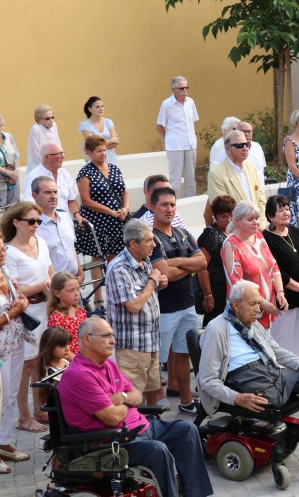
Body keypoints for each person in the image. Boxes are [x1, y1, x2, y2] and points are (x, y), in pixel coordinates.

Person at [197, 280, 299, 467]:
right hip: (244, 376)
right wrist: (236, 398)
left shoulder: (252, 323)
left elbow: (275, 350)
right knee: (272, 399)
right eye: (252, 304)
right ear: (236, 305)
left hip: (270, 369)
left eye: (259, 304)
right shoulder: (216, 329)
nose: (257, 310)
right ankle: (288, 435)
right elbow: (207, 379)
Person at [59, 317, 213, 497]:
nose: (113, 341)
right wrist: (127, 401)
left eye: (113, 335)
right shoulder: (80, 375)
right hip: (112, 442)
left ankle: (196, 494)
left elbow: (137, 396)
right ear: (86, 339)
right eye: (106, 335)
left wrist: (122, 397)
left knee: (187, 429)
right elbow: (113, 418)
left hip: (140, 428)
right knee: (157, 450)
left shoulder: (107, 363)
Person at [148, 187, 207, 414]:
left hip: (187, 306)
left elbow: (202, 263)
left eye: (172, 204)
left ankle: (185, 401)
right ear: (153, 207)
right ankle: (152, 407)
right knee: (156, 360)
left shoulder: (183, 233)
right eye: (163, 204)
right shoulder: (150, 238)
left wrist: (175, 263)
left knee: (184, 354)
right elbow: (163, 274)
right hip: (163, 309)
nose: (169, 209)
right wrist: (186, 265)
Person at [3, 202, 54, 431]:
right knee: (26, 364)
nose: (36, 225)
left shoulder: (41, 242)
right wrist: (42, 285)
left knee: (42, 361)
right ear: (16, 222)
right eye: (31, 221)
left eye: (38, 221)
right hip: (26, 313)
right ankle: (24, 415)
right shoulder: (10, 252)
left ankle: (39, 408)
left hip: (46, 307)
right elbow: (14, 292)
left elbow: (50, 271)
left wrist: (52, 283)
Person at [105, 219, 166, 404]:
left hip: (151, 341)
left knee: (152, 390)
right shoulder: (118, 268)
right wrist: (152, 282)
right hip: (133, 346)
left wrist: (158, 285)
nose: (154, 244)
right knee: (132, 397)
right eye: (148, 240)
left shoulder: (144, 260)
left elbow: (145, 294)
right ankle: (135, 431)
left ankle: (152, 427)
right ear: (133, 243)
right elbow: (133, 306)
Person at [76, 135, 129, 312]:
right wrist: (111, 211)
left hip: (116, 220)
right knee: (98, 258)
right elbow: (86, 200)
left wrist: (125, 208)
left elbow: (124, 191)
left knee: (114, 257)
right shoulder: (85, 173)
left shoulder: (114, 168)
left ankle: (113, 294)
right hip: (97, 220)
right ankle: (99, 300)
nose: (103, 153)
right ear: (89, 152)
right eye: (99, 151)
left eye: (104, 149)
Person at [262, 195, 299, 358]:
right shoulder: (266, 238)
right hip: (285, 299)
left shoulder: (293, 230)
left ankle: (296, 375)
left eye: (287, 209)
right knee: (282, 343)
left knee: (298, 341)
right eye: (280, 210)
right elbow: (275, 270)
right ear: (271, 216)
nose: (286, 213)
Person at [222, 201, 287, 328]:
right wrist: (262, 303)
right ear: (236, 221)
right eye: (250, 219)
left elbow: (274, 266)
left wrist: (280, 292)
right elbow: (237, 283)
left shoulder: (258, 236)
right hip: (247, 312)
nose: (256, 222)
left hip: (268, 308)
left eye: (257, 218)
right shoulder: (230, 244)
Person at [0, 236, 33, 472]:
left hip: (14, 342)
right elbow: (10, 311)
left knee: (9, 396)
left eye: (3, 248)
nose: (2, 252)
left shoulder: (6, 271)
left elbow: (17, 301)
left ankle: (3, 442)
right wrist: (13, 312)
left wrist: (22, 302)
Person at [206, 129, 267, 228]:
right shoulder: (216, 173)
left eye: (246, 144)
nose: (245, 148)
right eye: (239, 145)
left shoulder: (251, 167)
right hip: (234, 232)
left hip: (257, 229)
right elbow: (223, 211)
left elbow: (261, 199)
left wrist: (260, 226)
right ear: (228, 149)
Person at [31, 176, 84, 282]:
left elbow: (70, 247)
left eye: (55, 192)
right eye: (47, 192)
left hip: (73, 283)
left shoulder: (65, 217)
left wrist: (80, 274)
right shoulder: (33, 225)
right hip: (52, 286)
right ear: (35, 196)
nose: (53, 196)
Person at [156, 76, 199, 198]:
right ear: (173, 89)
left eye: (186, 87)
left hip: (190, 145)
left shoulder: (190, 102)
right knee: (175, 179)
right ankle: (173, 204)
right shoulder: (167, 104)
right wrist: (169, 138)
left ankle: (191, 203)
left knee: (191, 178)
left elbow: (192, 123)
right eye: (181, 88)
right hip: (175, 147)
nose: (185, 90)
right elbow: (159, 126)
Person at [197, 195, 236, 326]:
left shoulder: (236, 233)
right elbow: (201, 268)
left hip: (232, 292)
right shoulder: (210, 235)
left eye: (231, 216)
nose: (229, 220)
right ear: (215, 216)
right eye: (224, 217)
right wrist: (208, 296)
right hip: (216, 293)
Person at [23, 143, 82, 221]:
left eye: (63, 153)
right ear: (47, 157)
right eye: (59, 154)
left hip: (65, 221)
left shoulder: (65, 173)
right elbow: (30, 204)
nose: (63, 156)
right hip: (44, 223)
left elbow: (71, 200)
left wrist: (77, 215)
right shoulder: (33, 176)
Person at [46, 271, 86, 356]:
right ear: (57, 293)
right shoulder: (57, 318)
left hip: (85, 356)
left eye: (78, 289)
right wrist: (78, 362)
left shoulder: (80, 311)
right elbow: (58, 347)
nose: (76, 294)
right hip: (72, 362)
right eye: (71, 290)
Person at [79, 96, 120, 165]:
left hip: (112, 161)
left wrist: (99, 146)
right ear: (90, 109)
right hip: (95, 163)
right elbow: (92, 145)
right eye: (97, 107)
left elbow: (115, 143)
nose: (101, 109)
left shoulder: (108, 122)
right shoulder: (85, 125)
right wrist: (111, 141)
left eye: (102, 106)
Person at [26, 105, 61, 169]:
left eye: (52, 117)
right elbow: (35, 154)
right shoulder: (36, 129)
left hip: (54, 164)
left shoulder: (54, 125)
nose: (51, 120)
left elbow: (58, 144)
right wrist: (46, 167)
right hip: (39, 167)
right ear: (39, 120)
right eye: (47, 118)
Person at [0, 115, 20, 206]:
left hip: (14, 179)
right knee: (1, 212)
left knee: (14, 210)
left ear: (2, 124)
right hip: (1, 181)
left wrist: (16, 171)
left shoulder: (8, 136)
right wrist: (9, 173)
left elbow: (17, 155)